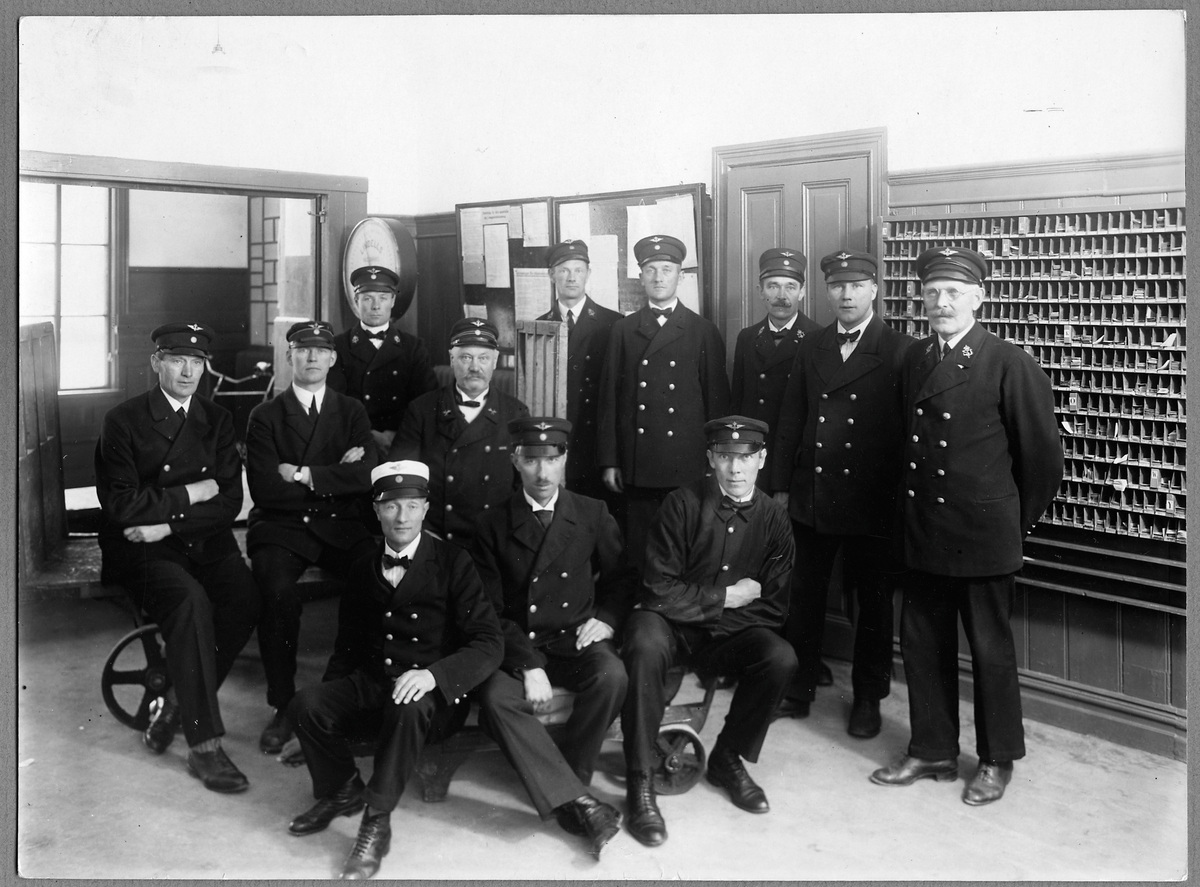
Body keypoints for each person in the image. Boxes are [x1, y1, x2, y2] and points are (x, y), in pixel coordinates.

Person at [869, 246, 1063, 806]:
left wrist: (1007, 524)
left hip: (982, 537)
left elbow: (1043, 462)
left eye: (954, 292)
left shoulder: (1008, 362)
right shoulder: (915, 358)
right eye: (932, 292)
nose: (941, 302)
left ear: (979, 297)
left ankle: (998, 759)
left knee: (989, 651)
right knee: (923, 645)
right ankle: (932, 749)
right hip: (924, 531)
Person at [287, 461, 503, 880]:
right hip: (373, 683)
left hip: (432, 699)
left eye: (412, 506)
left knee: (408, 705)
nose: (402, 517)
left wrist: (433, 676)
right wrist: (324, 722)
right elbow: (347, 645)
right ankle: (342, 790)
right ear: (376, 510)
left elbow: (489, 642)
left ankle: (376, 820)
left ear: (426, 509)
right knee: (305, 706)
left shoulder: (454, 561)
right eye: (391, 506)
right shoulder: (363, 564)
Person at [94, 322, 261, 793]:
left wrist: (168, 522)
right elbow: (122, 506)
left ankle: (172, 700)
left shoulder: (217, 418)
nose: (188, 371)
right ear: (156, 363)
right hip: (141, 547)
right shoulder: (123, 420)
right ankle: (204, 745)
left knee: (245, 600)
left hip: (192, 537)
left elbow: (229, 502)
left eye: (196, 362)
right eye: (176, 360)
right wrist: (193, 491)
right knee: (190, 604)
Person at [619, 417, 796, 847]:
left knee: (779, 657)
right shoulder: (681, 504)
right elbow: (656, 589)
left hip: (723, 636)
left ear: (762, 459)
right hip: (667, 627)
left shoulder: (775, 518)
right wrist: (725, 598)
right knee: (643, 641)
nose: (735, 469)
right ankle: (640, 780)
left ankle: (727, 758)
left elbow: (772, 607)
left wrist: (709, 616)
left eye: (745, 457)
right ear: (711, 458)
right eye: (725, 457)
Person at [470, 416, 634, 858]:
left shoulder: (592, 513)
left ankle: (570, 784)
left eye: (552, 460)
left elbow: (622, 580)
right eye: (531, 461)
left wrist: (607, 619)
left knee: (612, 676)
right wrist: (527, 665)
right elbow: (487, 609)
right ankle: (580, 802)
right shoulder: (491, 523)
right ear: (514, 461)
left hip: (574, 637)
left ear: (565, 460)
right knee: (495, 698)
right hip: (516, 642)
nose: (542, 473)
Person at [770, 250, 915, 735]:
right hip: (813, 493)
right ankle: (798, 688)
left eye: (855, 286)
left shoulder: (900, 349)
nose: (846, 295)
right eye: (837, 286)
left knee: (872, 604)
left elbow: (910, 435)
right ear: (827, 291)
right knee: (804, 596)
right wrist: (780, 486)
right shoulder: (812, 345)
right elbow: (791, 418)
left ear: (874, 290)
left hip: (872, 501)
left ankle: (868, 698)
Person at [244, 320, 379, 755]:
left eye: (321, 350)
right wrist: (337, 473)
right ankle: (283, 704)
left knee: (376, 580)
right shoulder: (265, 415)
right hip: (281, 527)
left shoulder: (351, 411)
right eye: (303, 350)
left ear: (333, 358)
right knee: (277, 594)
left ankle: (338, 695)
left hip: (341, 523)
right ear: (290, 357)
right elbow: (266, 489)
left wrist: (302, 474)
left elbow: (365, 476)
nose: (313, 357)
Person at [596, 234, 731, 565]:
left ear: (680, 277)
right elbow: (609, 400)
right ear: (641, 277)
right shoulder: (624, 330)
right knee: (641, 552)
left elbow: (717, 406)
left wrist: (718, 461)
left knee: (687, 549)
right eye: (651, 270)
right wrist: (610, 460)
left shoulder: (703, 330)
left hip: (687, 463)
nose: (659, 278)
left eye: (667, 270)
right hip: (638, 463)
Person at [391, 317, 529, 548]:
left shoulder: (515, 413)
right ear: (451, 358)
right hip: (437, 539)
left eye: (483, 358)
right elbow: (402, 480)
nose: (475, 367)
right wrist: (423, 533)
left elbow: (523, 486)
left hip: (495, 541)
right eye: (466, 357)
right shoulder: (422, 410)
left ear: (495, 361)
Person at [535, 239, 622, 498]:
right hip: (555, 444)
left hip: (595, 445)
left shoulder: (613, 324)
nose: (571, 277)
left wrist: (611, 457)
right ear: (552, 275)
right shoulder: (538, 327)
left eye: (578, 270)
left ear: (588, 273)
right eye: (563, 270)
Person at [730, 246, 821, 490]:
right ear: (760, 291)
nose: (782, 295)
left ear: (802, 292)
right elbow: (737, 403)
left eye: (790, 286)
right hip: (752, 452)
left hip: (795, 457)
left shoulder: (818, 338)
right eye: (773, 286)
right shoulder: (747, 337)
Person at [328, 265, 438, 460]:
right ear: (356, 301)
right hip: (355, 444)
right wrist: (369, 438)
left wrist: (397, 436)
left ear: (393, 300)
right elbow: (334, 405)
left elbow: (426, 403)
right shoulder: (338, 347)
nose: (376, 306)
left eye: (383, 298)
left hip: (403, 442)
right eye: (368, 298)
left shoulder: (413, 347)